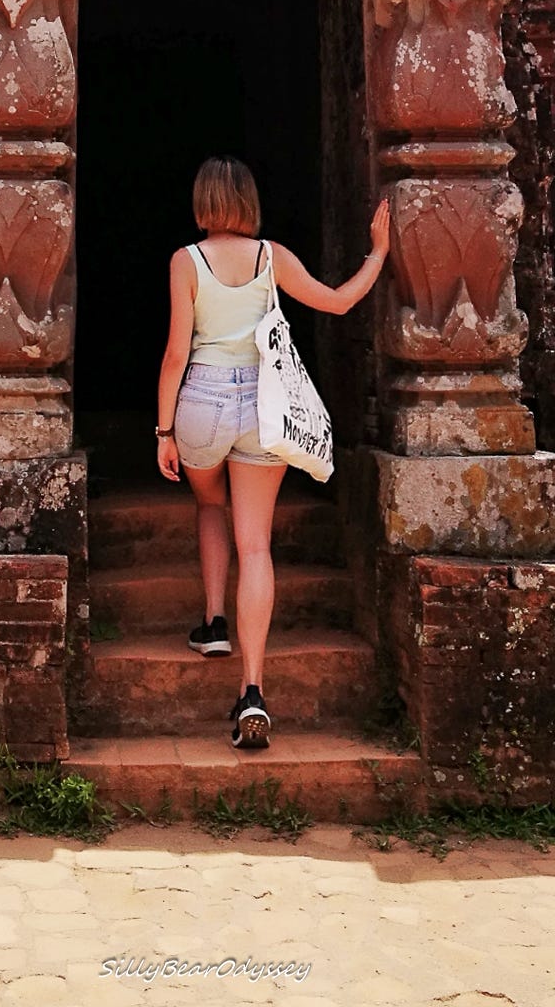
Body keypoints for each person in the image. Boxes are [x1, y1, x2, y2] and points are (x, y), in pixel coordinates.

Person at [155, 155, 390, 751]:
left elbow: (176, 353)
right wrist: (379, 253)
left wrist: (163, 432)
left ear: (203, 201)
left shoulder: (186, 261)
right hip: (264, 406)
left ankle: (212, 624)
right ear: (248, 201)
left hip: (202, 403)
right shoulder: (271, 256)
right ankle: (253, 689)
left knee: (210, 506)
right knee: (254, 543)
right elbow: (337, 303)